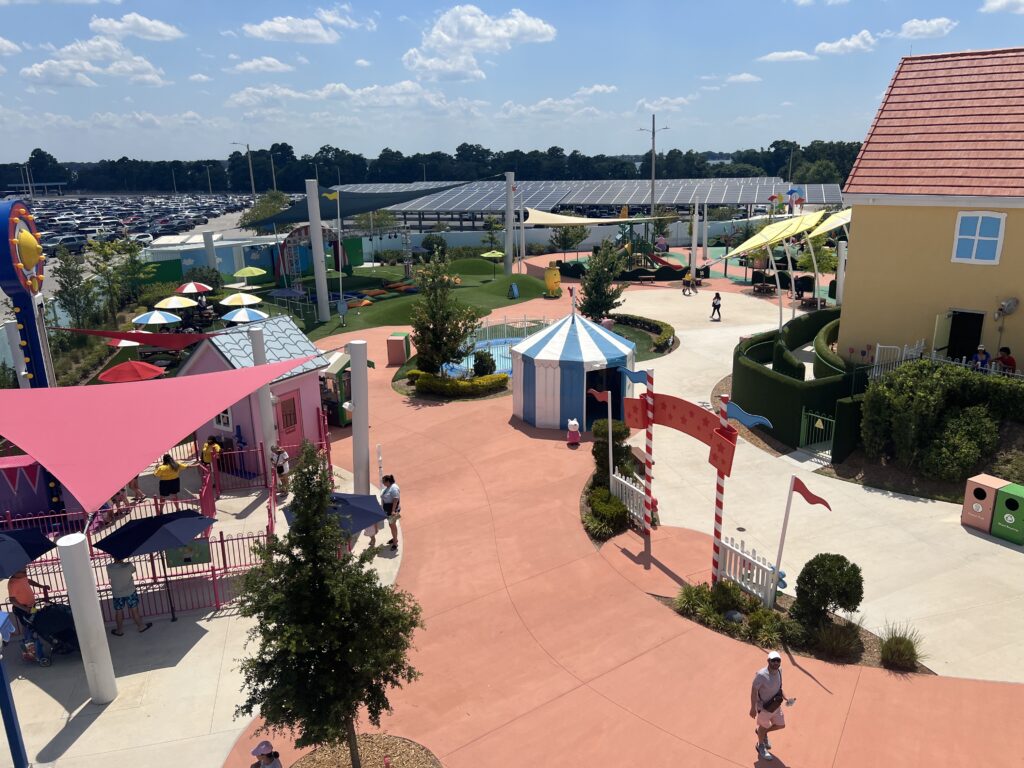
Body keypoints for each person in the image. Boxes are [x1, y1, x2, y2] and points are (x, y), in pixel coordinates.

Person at [750, 650, 793, 762]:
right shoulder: (761, 675)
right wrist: (752, 708)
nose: (776, 663)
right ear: (768, 661)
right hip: (763, 708)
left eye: (778, 660)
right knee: (763, 726)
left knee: (780, 725)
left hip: (775, 706)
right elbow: (754, 691)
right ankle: (760, 746)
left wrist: (786, 698)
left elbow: (779, 688)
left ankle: (762, 733)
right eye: (773, 660)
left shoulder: (779, 671)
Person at [106, 558, 152, 636]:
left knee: (119, 611)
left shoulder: (109, 567)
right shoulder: (128, 565)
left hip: (117, 594)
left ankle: (119, 630)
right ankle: (141, 626)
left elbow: (110, 576)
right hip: (130, 592)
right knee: (134, 610)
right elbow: (133, 570)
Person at [9, 569, 47, 660]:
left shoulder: (22, 577)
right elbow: (12, 600)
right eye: (22, 570)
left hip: (30, 607)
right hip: (22, 609)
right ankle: (29, 647)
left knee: (31, 625)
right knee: (27, 626)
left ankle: (31, 645)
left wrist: (41, 586)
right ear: (15, 572)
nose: (25, 572)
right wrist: (25, 609)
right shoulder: (12, 583)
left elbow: (29, 581)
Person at [380, 474, 401, 552]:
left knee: (392, 526)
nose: (383, 483)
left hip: (392, 511)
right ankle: (394, 538)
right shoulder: (389, 487)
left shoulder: (394, 488)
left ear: (388, 481)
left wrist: (393, 511)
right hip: (388, 510)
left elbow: (396, 499)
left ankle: (395, 543)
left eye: (384, 482)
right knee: (391, 525)